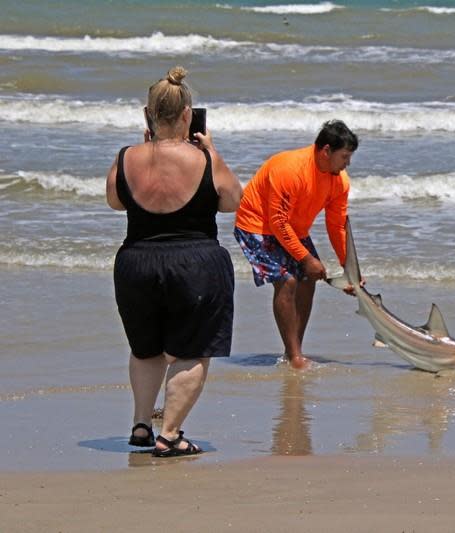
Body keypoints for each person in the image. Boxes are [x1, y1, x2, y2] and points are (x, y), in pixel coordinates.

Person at [106, 66, 242, 457]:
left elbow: (115, 201)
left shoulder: (127, 157)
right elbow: (233, 201)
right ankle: (170, 434)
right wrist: (212, 151)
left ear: (148, 114)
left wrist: (143, 150)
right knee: (193, 350)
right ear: (188, 115)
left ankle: (141, 426)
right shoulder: (203, 158)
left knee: (145, 349)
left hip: (137, 262)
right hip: (195, 261)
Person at [234, 120, 358, 370]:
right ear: (325, 151)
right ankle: (295, 356)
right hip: (257, 223)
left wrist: (349, 268)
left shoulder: (339, 181)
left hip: (292, 227)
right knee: (288, 281)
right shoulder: (289, 169)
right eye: (344, 156)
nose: (348, 164)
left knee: (308, 279)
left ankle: (293, 350)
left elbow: (336, 226)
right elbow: (276, 221)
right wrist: (306, 258)